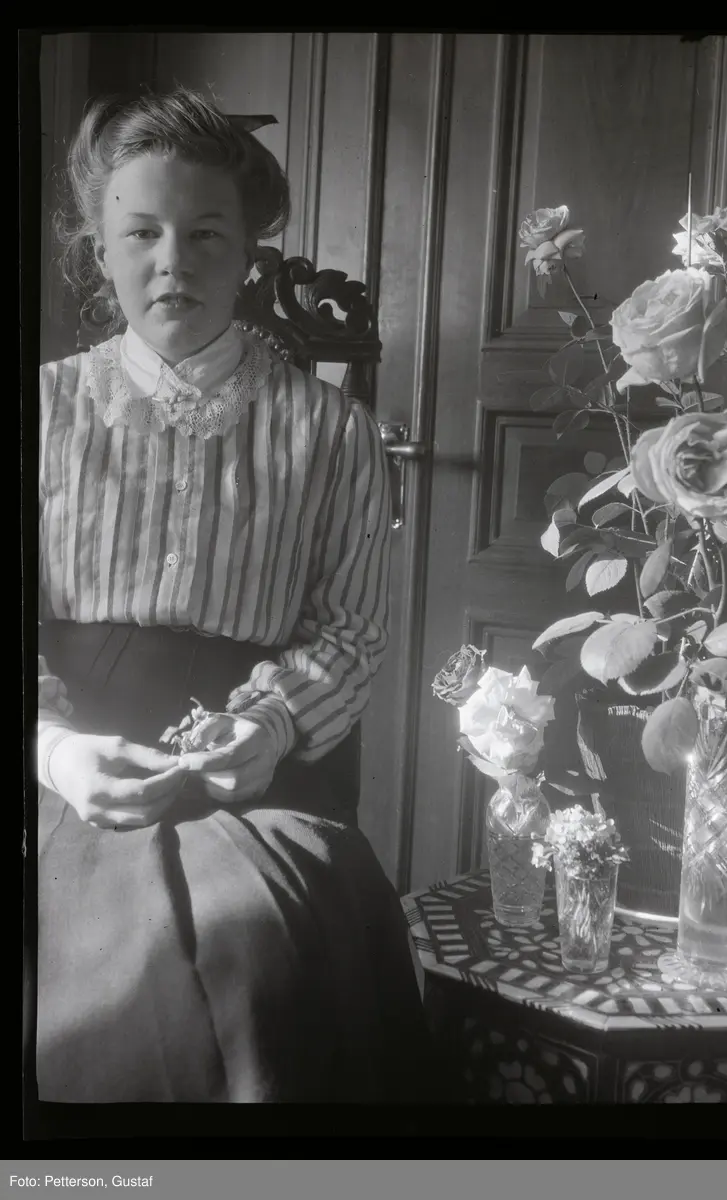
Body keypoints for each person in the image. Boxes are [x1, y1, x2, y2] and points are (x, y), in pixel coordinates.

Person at [35, 88, 433, 1105]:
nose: (174, 261)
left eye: (206, 233)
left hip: (253, 776)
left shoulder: (330, 431)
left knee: (253, 940)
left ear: (250, 252)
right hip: (54, 766)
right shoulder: (41, 409)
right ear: (99, 251)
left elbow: (347, 633)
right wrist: (56, 749)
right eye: (142, 233)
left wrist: (266, 726)